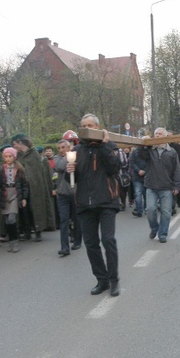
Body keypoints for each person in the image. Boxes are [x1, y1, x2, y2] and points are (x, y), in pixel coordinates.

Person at [66, 113, 121, 296]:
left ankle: (114, 280)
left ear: (98, 127)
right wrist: (69, 172)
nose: (88, 128)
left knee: (108, 240)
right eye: (84, 125)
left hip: (106, 201)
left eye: (91, 125)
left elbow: (114, 168)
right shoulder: (77, 150)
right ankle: (102, 280)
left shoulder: (109, 146)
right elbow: (73, 179)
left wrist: (104, 146)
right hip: (84, 204)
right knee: (91, 244)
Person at [141, 127, 180, 243]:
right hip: (151, 186)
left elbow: (177, 170)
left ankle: (162, 234)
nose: (157, 135)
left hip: (166, 187)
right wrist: (144, 144)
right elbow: (140, 155)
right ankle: (154, 228)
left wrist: (177, 185)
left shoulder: (171, 152)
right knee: (150, 210)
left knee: (166, 212)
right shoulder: (150, 150)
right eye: (156, 134)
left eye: (159, 134)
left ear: (165, 136)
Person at [12, 134, 56, 241]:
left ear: (20, 142)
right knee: (24, 210)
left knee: (35, 208)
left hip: (35, 186)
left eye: (15, 144)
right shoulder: (18, 155)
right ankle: (27, 231)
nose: (14, 146)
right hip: (23, 187)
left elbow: (37, 171)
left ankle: (38, 231)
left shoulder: (34, 153)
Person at [0, 147, 28, 253]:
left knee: (12, 218)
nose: (8, 159)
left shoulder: (19, 169)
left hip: (15, 194)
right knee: (7, 220)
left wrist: (24, 198)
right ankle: (11, 241)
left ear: (14, 157)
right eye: (6, 156)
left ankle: (15, 242)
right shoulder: (1, 168)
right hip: (5, 194)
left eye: (10, 156)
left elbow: (24, 185)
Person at [54, 139, 82, 256]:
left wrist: (72, 156)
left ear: (68, 147)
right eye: (59, 148)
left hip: (75, 193)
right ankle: (64, 247)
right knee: (64, 220)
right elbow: (60, 167)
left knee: (76, 219)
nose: (61, 150)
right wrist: (69, 157)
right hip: (62, 194)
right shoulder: (57, 159)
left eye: (63, 147)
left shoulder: (76, 156)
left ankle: (77, 240)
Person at [129, 143, 148, 217]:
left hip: (147, 176)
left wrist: (144, 170)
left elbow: (151, 163)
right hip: (137, 176)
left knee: (146, 194)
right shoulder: (135, 152)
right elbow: (132, 162)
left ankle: (146, 209)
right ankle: (139, 211)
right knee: (138, 194)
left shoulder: (149, 152)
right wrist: (138, 170)